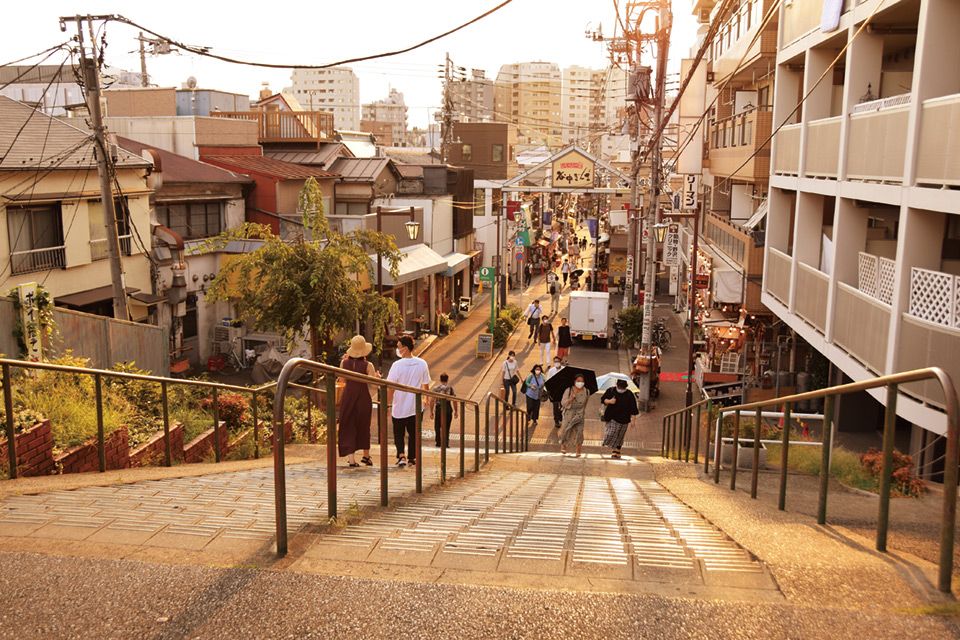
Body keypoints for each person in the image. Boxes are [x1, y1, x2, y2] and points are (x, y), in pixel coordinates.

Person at [386, 335, 432, 467]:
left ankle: (402, 456)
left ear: (405, 348)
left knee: (398, 433)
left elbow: (391, 387)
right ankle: (412, 458)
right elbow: (426, 384)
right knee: (414, 433)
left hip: (399, 406)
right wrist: (425, 399)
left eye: (399, 347)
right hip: (416, 406)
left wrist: (386, 405)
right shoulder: (421, 363)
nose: (397, 349)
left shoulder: (396, 365)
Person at [338, 335, 378, 468]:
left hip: (348, 396)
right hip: (363, 397)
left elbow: (342, 381)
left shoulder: (344, 363)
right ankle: (366, 456)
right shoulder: (368, 365)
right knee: (363, 425)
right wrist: (377, 377)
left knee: (348, 424)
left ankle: (351, 460)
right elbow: (374, 386)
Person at [600, 379, 639, 459]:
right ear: (617, 385)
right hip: (612, 417)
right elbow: (603, 400)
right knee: (612, 432)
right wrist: (610, 401)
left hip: (624, 418)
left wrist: (633, 420)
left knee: (620, 435)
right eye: (619, 387)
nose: (621, 389)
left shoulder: (629, 394)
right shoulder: (611, 391)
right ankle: (613, 449)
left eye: (622, 388)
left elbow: (633, 408)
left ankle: (617, 450)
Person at [559, 374, 589, 456]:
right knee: (565, 428)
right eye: (578, 381)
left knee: (580, 431)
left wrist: (582, 411)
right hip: (569, 412)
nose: (580, 383)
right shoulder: (569, 390)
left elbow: (585, 402)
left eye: (582, 381)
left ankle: (578, 449)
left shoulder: (586, 391)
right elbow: (563, 403)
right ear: (574, 381)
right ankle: (564, 445)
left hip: (580, 413)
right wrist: (570, 399)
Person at [429, 373, 457, 448]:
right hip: (448, 408)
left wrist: (431, 412)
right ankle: (446, 443)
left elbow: (432, 400)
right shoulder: (450, 388)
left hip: (439, 408)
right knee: (447, 426)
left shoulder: (436, 388)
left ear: (440, 380)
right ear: (447, 380)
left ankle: (438, 442)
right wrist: (456, 411)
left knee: (437, 426)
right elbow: (454, 400)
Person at [546, 357, 564, 427]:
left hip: (563, 391)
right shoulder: (551, 371)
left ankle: (561, 416)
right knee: (555, 406)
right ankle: (556, 421)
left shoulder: (564, 369)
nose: (556, 363)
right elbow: (548, 381)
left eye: (558, 361)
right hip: (554, 391)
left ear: (560, 362)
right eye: (555, 361)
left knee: (563, 406)